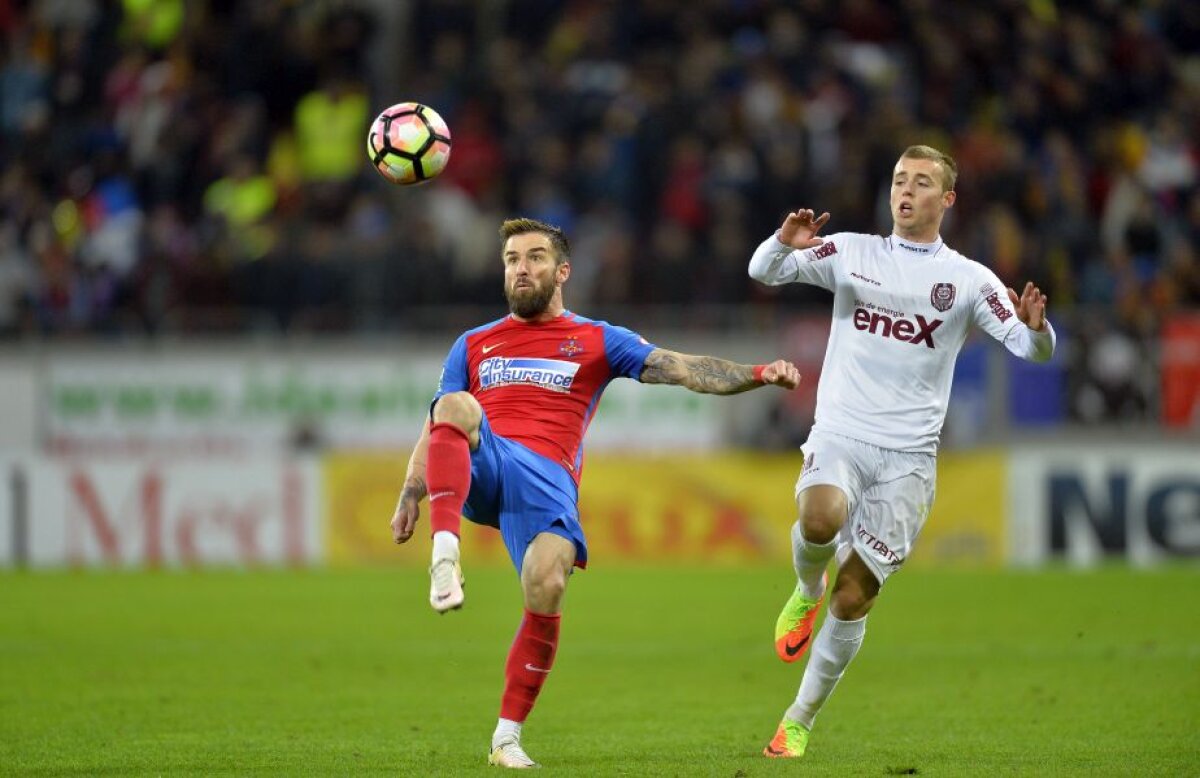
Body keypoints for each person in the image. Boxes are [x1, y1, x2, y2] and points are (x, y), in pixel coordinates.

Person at [389, 217, 802, 769]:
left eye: (534, 257)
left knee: (548, 582)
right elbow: (438, 421)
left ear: (562, 271)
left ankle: (506, 739)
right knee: (455, 405)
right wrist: (410, 490)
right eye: (511, 259)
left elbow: (682, 369)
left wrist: (759, 373)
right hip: (486, 461)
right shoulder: (473, 343)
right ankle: (445, 556)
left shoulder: (596, 339)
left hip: (547, 482)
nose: (520, 269)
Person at [747, 145, 1056, 759]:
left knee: (855, 595)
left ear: (948, 199)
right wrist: (783, 242)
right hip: (842, 430)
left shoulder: (968, 280)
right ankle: (806, 589)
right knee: (819, 519)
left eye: (921, 182)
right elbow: (764, 272)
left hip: (909, 459)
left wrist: (1037, 328)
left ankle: (798, 719)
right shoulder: (851, 251)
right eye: (898, 180)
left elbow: (1031, 350)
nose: (905, 191)